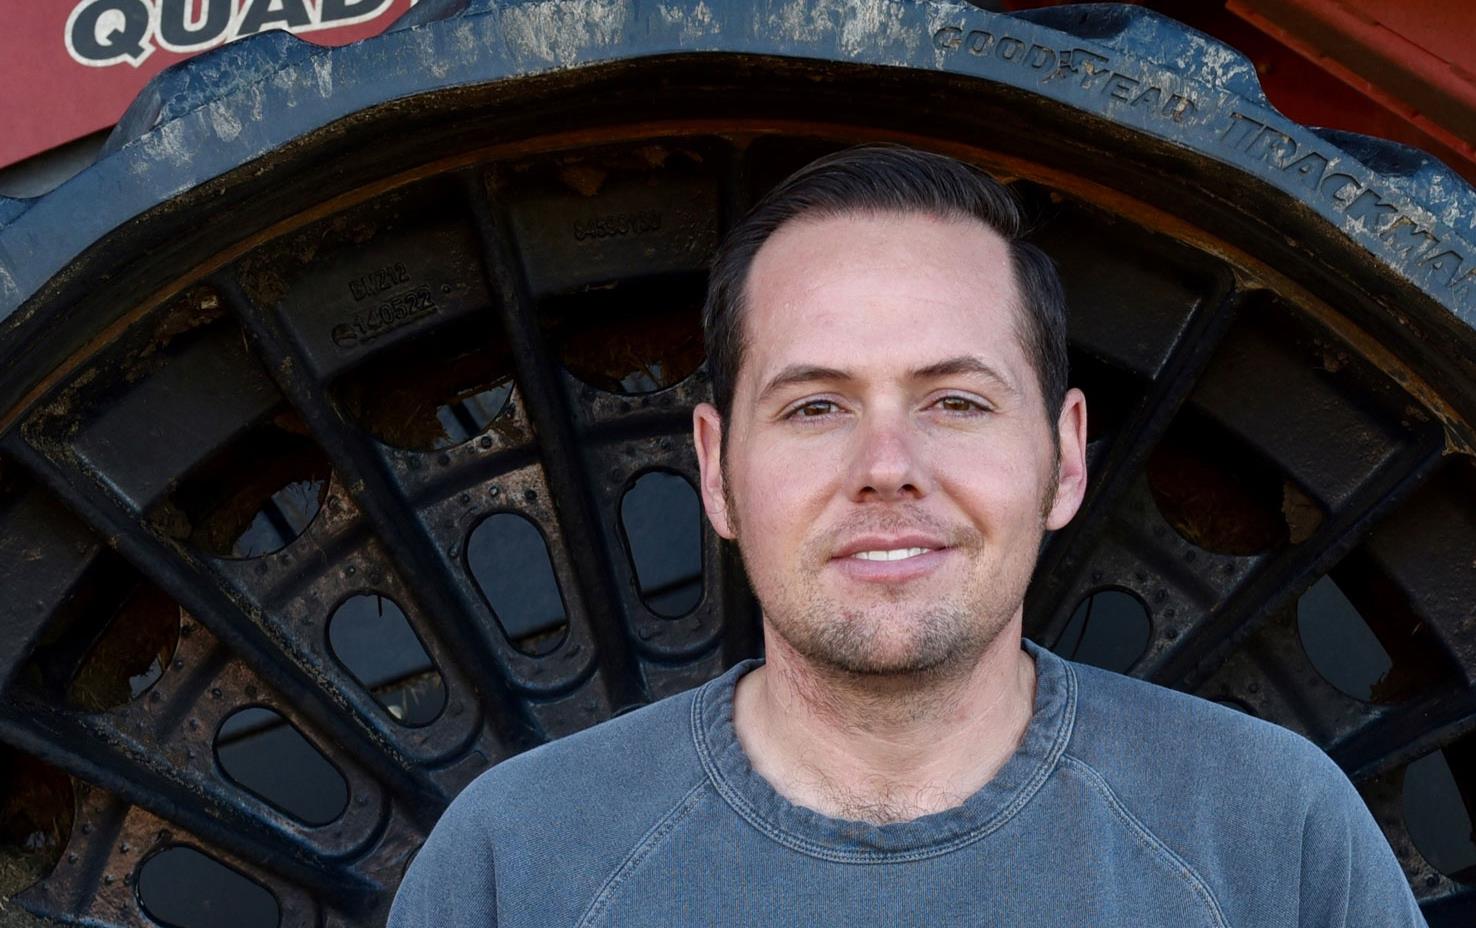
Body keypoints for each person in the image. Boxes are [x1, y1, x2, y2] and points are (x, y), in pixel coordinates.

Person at [388, 145, 1427, 927]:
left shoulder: (1270, 833)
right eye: (814, 408)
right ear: (715, 470)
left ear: (1065, 458)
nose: (887, 464)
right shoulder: (516, 860)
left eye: (958, 403)